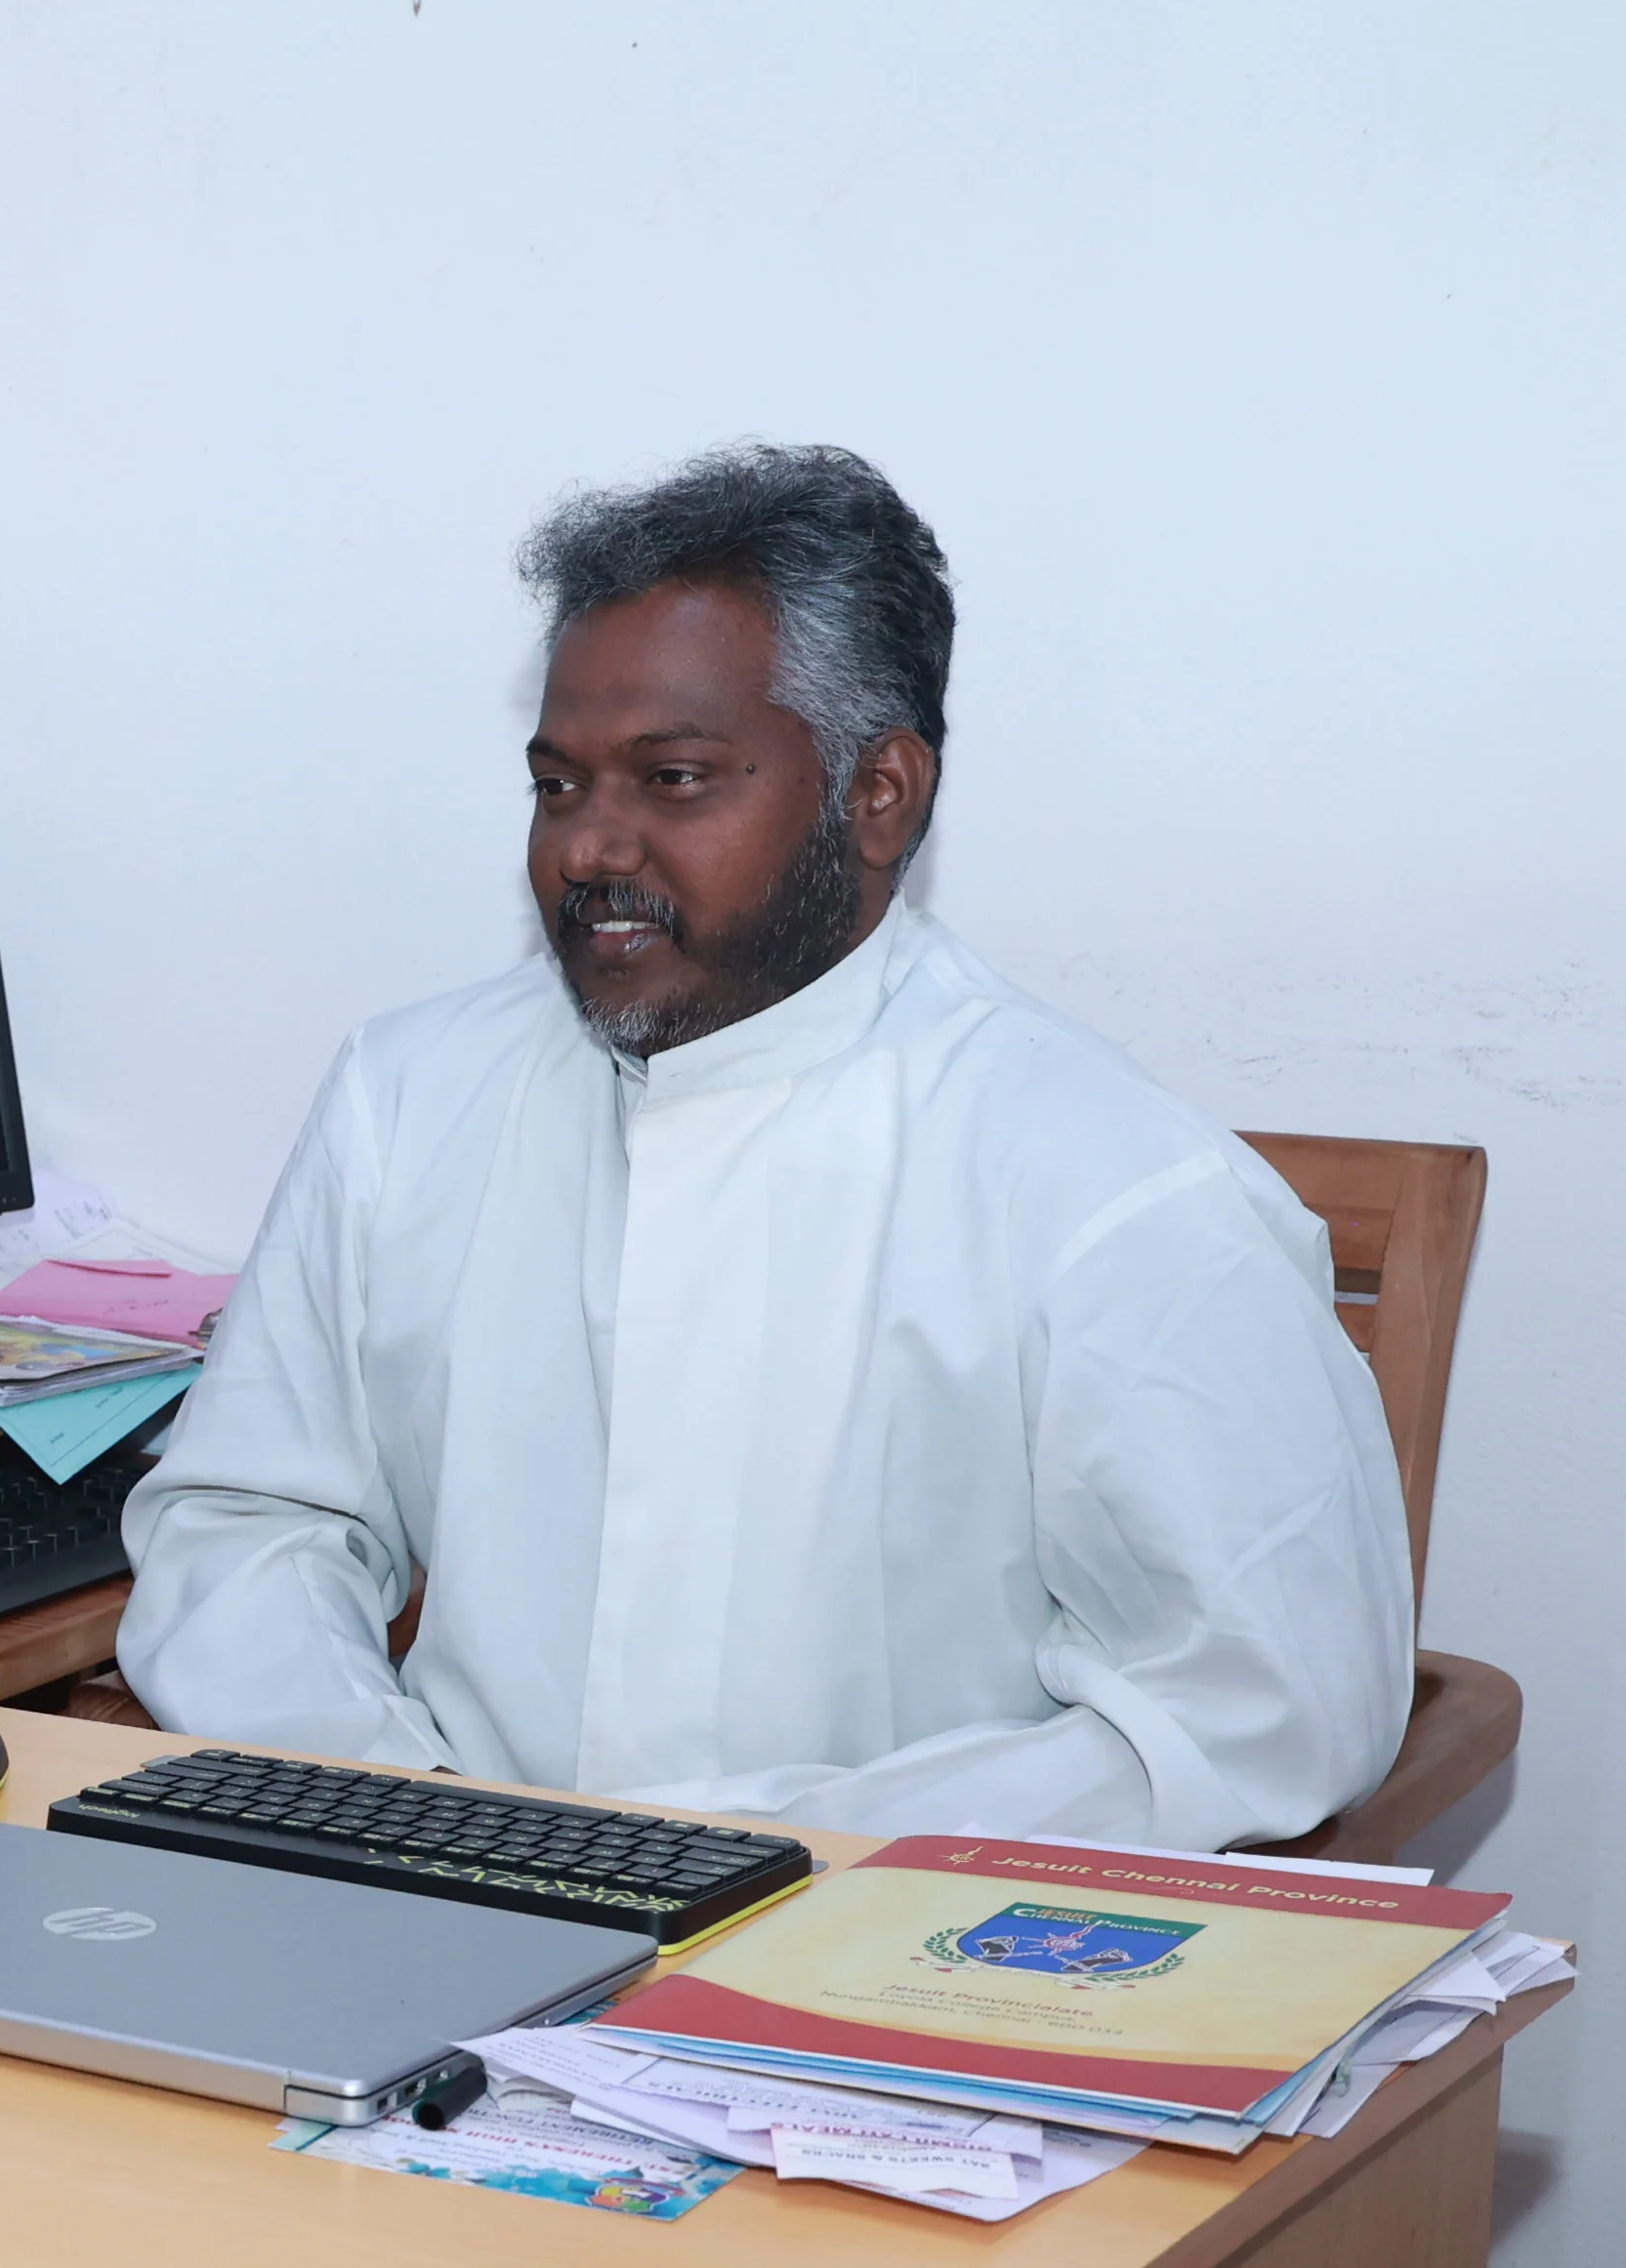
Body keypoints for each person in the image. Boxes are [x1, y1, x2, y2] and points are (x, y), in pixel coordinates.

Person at [116, 444, 1412, 1849]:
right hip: (428, 1903)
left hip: (879, 1934)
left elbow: (1265, 1702)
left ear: (878, 793)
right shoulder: (411, 1095)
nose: (589, 849)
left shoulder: (1109, 1186)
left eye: (672, 780)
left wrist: (779, 1863)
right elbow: (245, 1524)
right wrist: (396, 1815)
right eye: (558, 788)